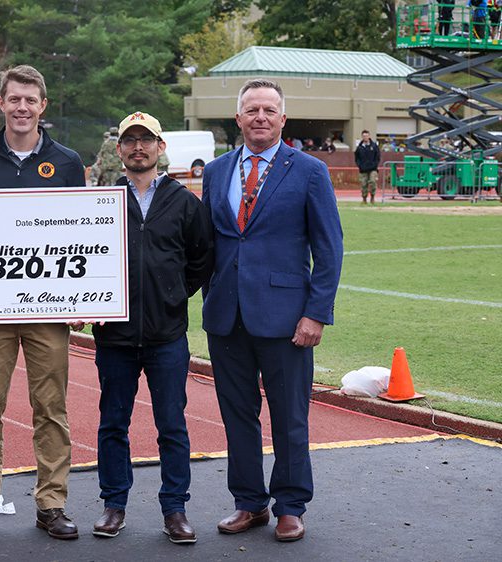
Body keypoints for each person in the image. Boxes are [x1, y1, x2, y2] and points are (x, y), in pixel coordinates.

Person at [200, 78, 343, 543]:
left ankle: (290, 505)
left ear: (283, 118)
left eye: (269, 110)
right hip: (227, 317)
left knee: (289, 416)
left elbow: (329, 248)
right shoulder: (218, 171)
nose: (260, 117)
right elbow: (208, 245)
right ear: (237, 118)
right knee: (237, 415)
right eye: (251, 110)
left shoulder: (309, 171)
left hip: (287, 318)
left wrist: (316, 312)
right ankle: (249, 502)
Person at [0, 64, 86, 541]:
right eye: (15, 99)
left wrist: (81, 297)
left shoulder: (68, 162)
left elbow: (82, 235)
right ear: (1, 103)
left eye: (31, 100)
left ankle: (51, 503)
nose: (23, 108)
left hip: (48, 310)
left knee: (51, 407)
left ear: (43, 106)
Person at [89, 111, 213, 543]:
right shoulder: (101, 200)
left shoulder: (183, 201)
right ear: (119, 149)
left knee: (172, 425)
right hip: (114, 336)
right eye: (130, 140)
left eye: (147, 140)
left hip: (166, 337)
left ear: (161, 147)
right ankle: (113, 504)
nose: (138, 147)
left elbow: (201, 258)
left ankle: (175, 509)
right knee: (112, 423)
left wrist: (174, 293)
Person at [354, 130, 381, 205]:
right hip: (363, 169)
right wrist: (360, 165)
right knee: (363, 184)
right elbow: (357, 158)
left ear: (369, 136)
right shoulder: (360, 147)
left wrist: (375, 165)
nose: (365, 137)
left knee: (372, 182)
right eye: (364, 136)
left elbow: (378, 157)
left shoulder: (374, 146)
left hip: (373, 168)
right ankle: (364, 198)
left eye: (366, 135)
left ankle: (372, 197)